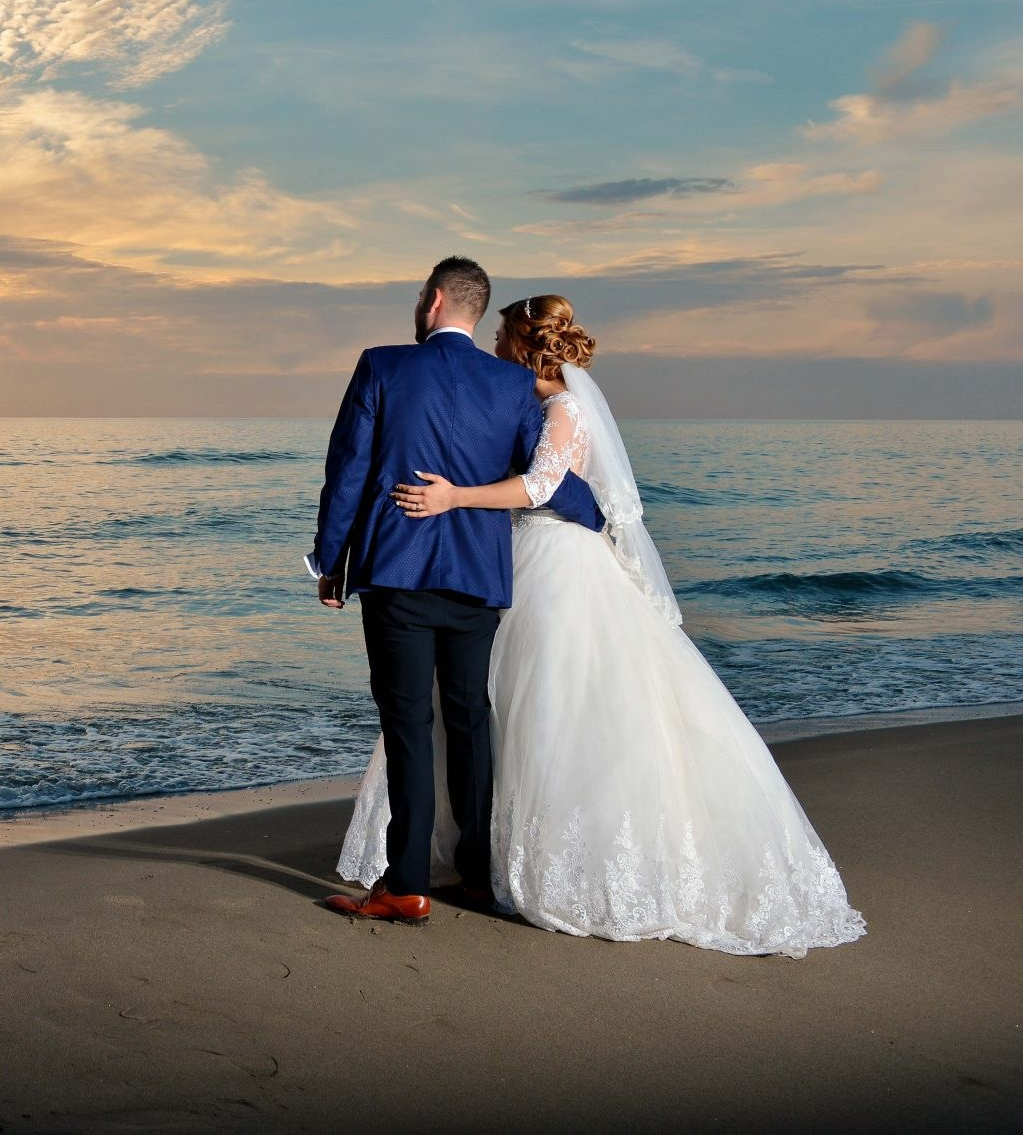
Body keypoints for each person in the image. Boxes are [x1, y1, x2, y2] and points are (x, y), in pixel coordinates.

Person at [339, 293, 866, 956]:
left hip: (558, 566)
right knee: (502, 713)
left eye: (503, 338)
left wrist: (454, 496)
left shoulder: (564, 407)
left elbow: (540, 486)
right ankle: (486, 859)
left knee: (553, 713)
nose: (495, 348)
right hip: (530, 559)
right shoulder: (530, 403)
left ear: (525, 344)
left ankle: (550, 862)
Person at [307, 258, 605, 927]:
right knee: (471, 720)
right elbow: (545, 476)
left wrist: (330, 559)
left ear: (434, 300)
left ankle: (406, 885)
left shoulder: (382, 366)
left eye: (420, 295)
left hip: (398, 575)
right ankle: (476, 875)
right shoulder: (510, 383)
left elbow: (349, 466)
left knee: (410, 723)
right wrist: (601, 522)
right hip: (479, 578)